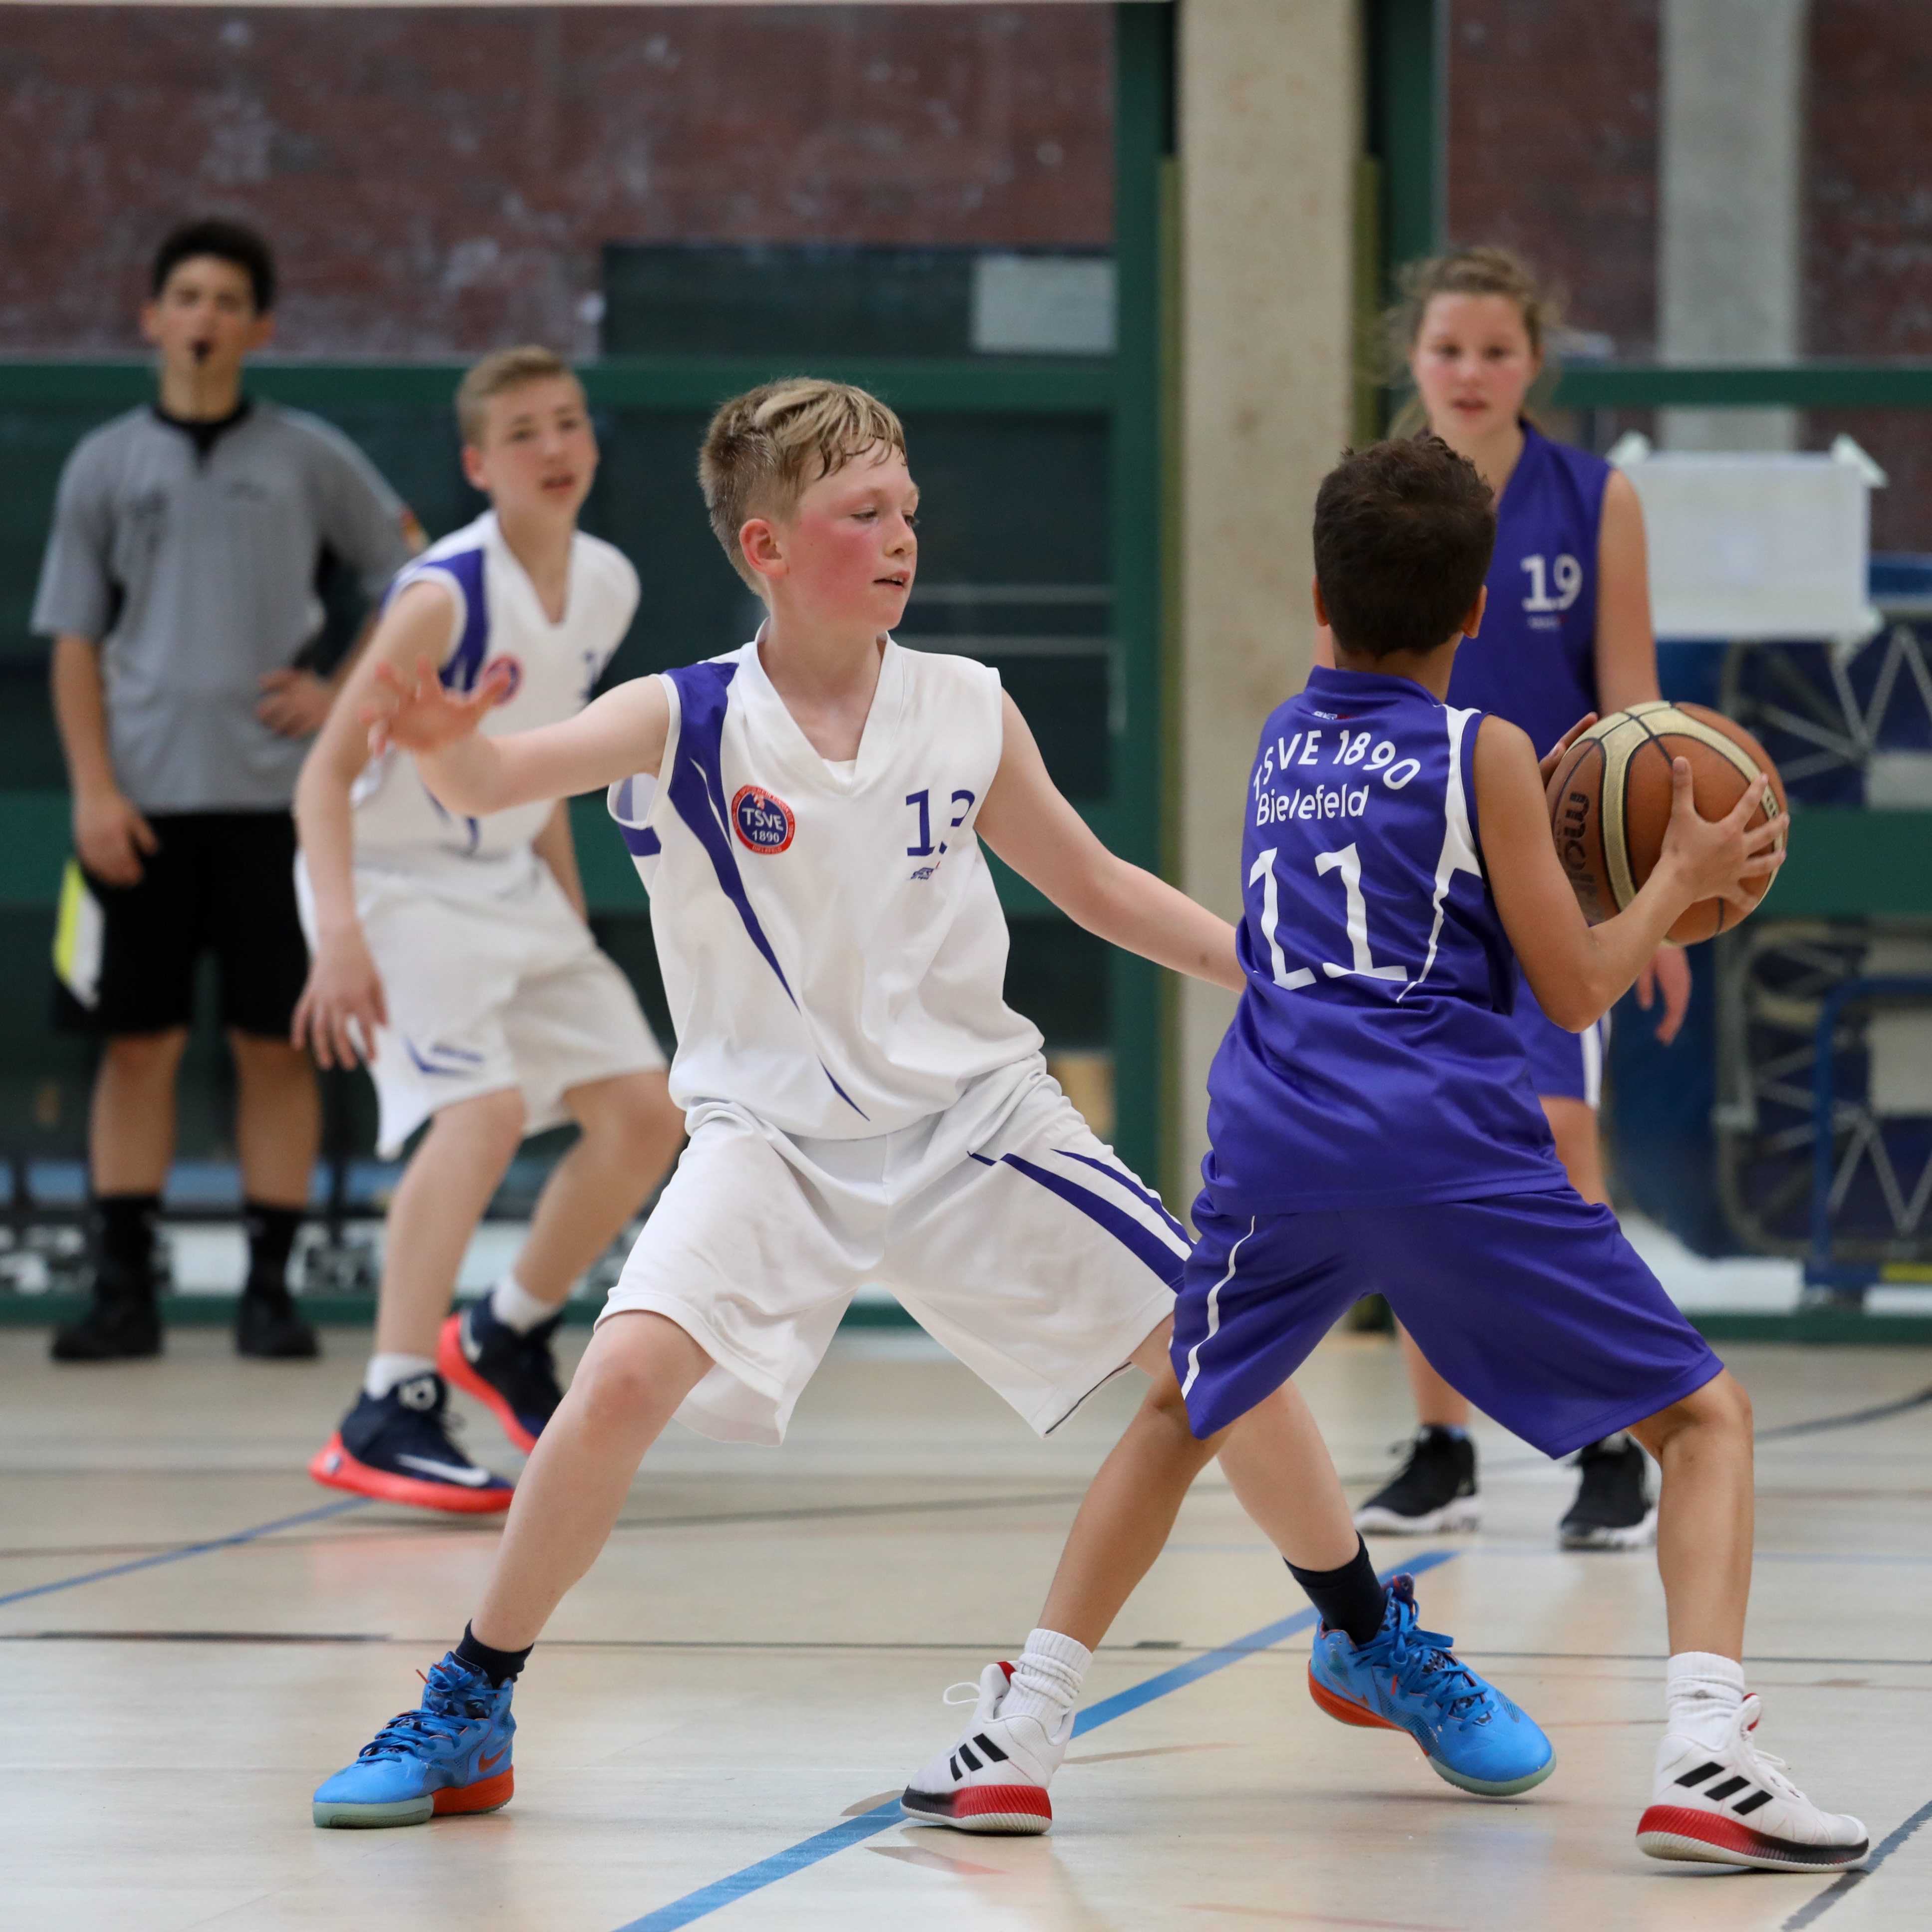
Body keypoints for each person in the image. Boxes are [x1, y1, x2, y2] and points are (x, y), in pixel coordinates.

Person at [308, 380, 1549, 1832]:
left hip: (978, 1124)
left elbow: (1094, 884)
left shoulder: (964, 705)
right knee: (622, 1379)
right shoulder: (684, 715)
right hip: (770, 1141)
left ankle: (1364, 1634)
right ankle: (470, 1703)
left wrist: (1267, 969)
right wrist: (444, 743)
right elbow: (496, 775)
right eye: (864, 514)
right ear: (767, 546)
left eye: (907, 508)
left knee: (1221, 1352)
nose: (903, 536)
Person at [1174, 436, 1865, 1872]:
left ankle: (1029, 1715)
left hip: (1279, 1137)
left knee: (1182, 1409)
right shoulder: (1479, 746)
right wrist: (1672, 880)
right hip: (1444, 1149)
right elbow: (1573, 987)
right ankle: (1708, 1748)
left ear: (1318, 599)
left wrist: (1539, 857)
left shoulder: (1285, 738)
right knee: (1709, 1422)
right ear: (1483, 609)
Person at [295, 347, 686, 1513]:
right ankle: (387, 1402)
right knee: (484, 1112)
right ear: (478, 465)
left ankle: (505, 1331)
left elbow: (540, 763)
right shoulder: (442, 597)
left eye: (568, 422)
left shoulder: (608, 582)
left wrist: (566, 911)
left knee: (646, 1111)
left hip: (506, 876)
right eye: (523, 433)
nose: (554, 448)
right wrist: (338, 935)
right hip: (394, 881)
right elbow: (322, 776)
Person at [1341, 245, 1691, 1549]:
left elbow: (1633, 706)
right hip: (1406, 873)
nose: (1471, 371)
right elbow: (1339, 687)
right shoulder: (1376, 499)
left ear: (1535, 361)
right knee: (1413, 1157)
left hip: (1550, 868)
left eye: (1496, 349)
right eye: (1448, 348)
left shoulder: (1594, 498)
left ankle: (1610, 1440)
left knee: (1557, 1144)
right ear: (1411, 358)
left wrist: (1656, 900)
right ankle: (1444, 1447)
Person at [32, 219, 419, 1364]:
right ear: (153, 318)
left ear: (260, 326)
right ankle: (122, 1292)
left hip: (280, 813)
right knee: (134, 1048)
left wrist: (338, 692)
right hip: (137, 812)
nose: (205, 316)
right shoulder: (103, 464)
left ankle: (268, 1292)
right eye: (187, 296)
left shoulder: (308, 456)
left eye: (227, 300)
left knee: (274, 1046)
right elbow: (71, 640)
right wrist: (93, 790)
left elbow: (412, 576)